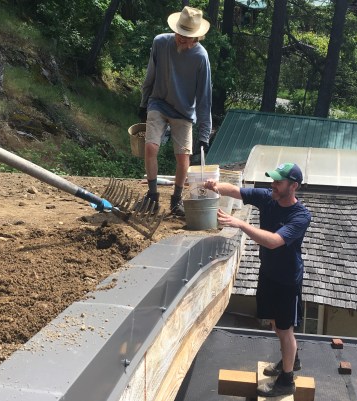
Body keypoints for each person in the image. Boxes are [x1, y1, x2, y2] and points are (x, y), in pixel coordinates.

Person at [204, 162, 311, 397]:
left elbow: (273, 241)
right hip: (269, 273)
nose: (273, 185)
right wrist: (215, 186)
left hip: (287, 280)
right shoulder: (268, 197)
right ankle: (291, 360)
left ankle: (286, 380)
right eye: (273, 180)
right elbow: (236, 191)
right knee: (274, 322)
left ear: (293, 186)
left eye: (278, 182)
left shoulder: (300, 216)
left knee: (285, 329)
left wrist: (241, 224)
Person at [138, 6, 212, 216]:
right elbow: (150, 74)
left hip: (184, 111)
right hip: (158, 102)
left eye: (188, 37)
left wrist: (204, 134)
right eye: (181, 35)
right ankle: (152, 196)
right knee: (150, 147)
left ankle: (176, 199)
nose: (183, 40)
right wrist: (143, 103)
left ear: (196, 37)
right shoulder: (160, 42)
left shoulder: (201, 57)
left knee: (183, 157)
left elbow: (204, 98)